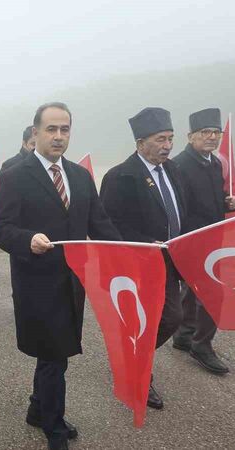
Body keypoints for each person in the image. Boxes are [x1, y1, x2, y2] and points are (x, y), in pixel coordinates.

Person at [0, 102, 121, 450]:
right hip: (36, 283)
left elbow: (100, 225)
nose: (58, 136)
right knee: (54, 356)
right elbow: (0, 229)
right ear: (35, 133)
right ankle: (54, 427)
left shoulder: (79, 176)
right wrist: (26, 240)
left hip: (72, 283)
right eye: (51, 129)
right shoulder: (15, 174)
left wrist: (135, 250)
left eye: (64, 129)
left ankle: (38, 408)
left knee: (56, 354)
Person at [99, 107, 186, 410]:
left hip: (172, 261)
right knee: (149, 322)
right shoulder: (120, 177)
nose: (167, 145)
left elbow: (179, 210)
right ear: (140, 143)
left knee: (172, 318)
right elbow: (109, 226)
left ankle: (133, 359)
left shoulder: (172, 169)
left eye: (171, 138)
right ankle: (138, 370)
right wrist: (146, 243)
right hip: (139, 265)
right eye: (161, 139)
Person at [171, 108, 235, 375]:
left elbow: (210, 197)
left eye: (216, 132)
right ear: (191, 136)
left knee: (193, 289)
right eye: (205, 133)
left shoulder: (214, 162)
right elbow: (178, 205)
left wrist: (227, 202)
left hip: (214, 235)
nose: (211, 137)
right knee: (213, 291)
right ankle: (202, 344)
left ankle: (184, 335)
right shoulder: (179, 165)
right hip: (191, 238)